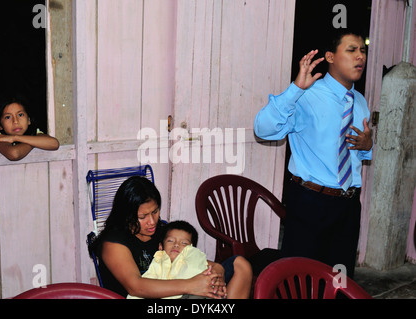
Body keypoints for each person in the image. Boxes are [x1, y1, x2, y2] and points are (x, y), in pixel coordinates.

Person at [254, 30, 373, 278]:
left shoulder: (359, 101)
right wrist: (296, 89)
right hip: (311, 203)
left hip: (348, 205)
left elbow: (355, 157)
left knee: (340, 278)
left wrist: (367, 145)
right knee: (299, 279)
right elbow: (263, 130)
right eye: (351, 50)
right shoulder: (307, 95)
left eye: (363, 50)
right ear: (330, 56)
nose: (360, 57)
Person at [89, 176, 252, 299]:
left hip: (176, 288)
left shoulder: (160, 230)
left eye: (155, 212)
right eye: (143, 216)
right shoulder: (113, 243)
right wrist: (192, 285)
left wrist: (217, 270)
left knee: (240, 265)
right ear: (127, 215)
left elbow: (186, 257)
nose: (152, 221)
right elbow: (136, 286)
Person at [0, 95, 59, 161]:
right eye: (8, 117)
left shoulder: (35, 132)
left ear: (29, 120)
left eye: (20, 115)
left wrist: (14, 138)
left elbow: (54, 144)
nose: (15, 121)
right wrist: (35, 142)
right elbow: (14, 154)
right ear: (0, 125)